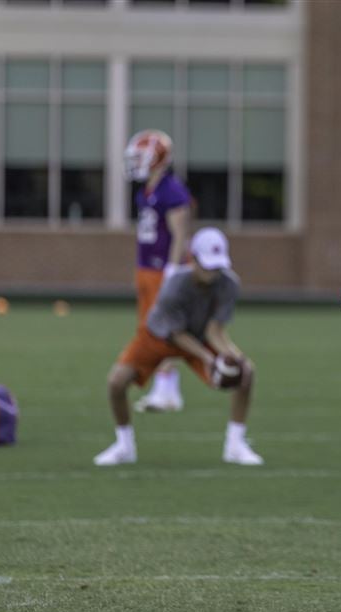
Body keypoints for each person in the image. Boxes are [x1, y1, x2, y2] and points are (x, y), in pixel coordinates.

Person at [94, 227, 263, 467]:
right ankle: (124, 445)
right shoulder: (174, 285)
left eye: (217, 266)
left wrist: (234, 356)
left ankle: (235, 445)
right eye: (207, 266)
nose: (213, 272)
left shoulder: (229, 284)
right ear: (192, 259)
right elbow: (175, 335)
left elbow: (214, 330)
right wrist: (209, 359)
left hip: (200, 336)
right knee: (116, 382)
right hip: (159, 337)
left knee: (246, 373)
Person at [124, 130, 191, 413]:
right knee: (152, 329)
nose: (137, 162)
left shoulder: (171, 190)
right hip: (147, 269)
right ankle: (165, 389)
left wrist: (173, 270)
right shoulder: (147, 190)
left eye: (142, 157)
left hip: (163, 270)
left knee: (162, 330)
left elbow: (180, 234)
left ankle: (167, 391)